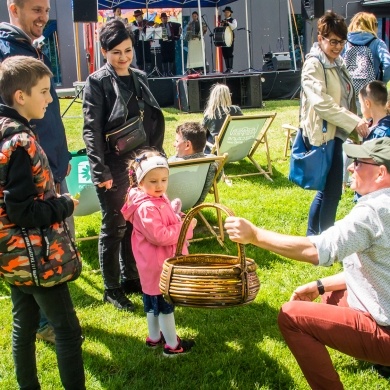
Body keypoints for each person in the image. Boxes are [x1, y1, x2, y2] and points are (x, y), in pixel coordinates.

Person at [224, 137, 390, 390]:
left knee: (292, 316)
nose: (349, 168)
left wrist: (255, 235)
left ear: (380, 172)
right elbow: (381, 268)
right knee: (329, 299)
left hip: (386, 332)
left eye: (357, 162)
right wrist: (320, 285)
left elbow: (316, 251)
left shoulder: (373, 212)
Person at [0, 55, 85, 390]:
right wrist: (62, 205)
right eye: (45, 91)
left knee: (24, 323)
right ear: (20, 96)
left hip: (12, 256)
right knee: (67, 331)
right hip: (36, 257)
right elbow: (21, 210)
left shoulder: (5, 129)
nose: (51, 99)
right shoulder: (18, 143)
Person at [0, 0, 75, 344]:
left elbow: (47, 113)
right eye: (36, 9)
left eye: (46, 9)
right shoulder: (6, 51)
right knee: (40, 243)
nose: (43, 16)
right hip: (28, 172)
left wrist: (61, 155)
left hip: (48, 164)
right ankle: (49, 322)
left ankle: (45, 315)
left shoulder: (32, 47)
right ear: (14, 8)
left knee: (55, 238)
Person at [83, 20, 165, 312]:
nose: (123, 57)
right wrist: (99, 170)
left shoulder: (139, 76)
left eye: (128, 50)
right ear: (104, 51)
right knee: (114, 224)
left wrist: (157, 156)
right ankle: (112, 288)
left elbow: (153, 117)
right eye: (116, 52)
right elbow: (91, 130)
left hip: (140, 162)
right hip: (112, 163)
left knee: (136, 222)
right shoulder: (97, 82)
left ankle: (131, 277)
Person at [121, 149, 196, 357]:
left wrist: (174, 213)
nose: (160, 185)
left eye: (164, 180)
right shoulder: (146, 207)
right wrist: (185, 227)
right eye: (153, 181)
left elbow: (162, 222)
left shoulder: (156, 198)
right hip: (158, 265)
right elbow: (160, 236)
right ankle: (172, 345)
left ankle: (154, 338)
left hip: (151, 264)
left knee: (152, 304)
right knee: (164, 307)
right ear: (140, 181)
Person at [300, 11, 369, 236]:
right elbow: (322, 104)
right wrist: (353, 121)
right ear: (320, 39)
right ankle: (324, 242)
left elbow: (345, 96)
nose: (338, 46)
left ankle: (314, 238)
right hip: (323, 135)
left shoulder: (336, 61)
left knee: (328, 190)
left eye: (341, 41)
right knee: (330, 191)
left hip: (336, 133)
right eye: (333, 41)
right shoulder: (314, 65)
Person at [344, 12, 390, 113]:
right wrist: (381, 83)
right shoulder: (377, 43)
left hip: (348, 94)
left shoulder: (345, 43)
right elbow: (387, 65)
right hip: (371, 95)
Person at [168, 122, 220, 206]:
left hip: (167, 206)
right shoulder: (213, 161)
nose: (174, 144)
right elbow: (216, 180)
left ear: (187, 145)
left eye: (177, 141)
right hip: (195, 202)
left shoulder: (169, 164)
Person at [202, 83, 243, 153]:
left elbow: (201, 133)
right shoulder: (236, 110)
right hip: (237, 146)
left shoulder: (209, 114)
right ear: (227, 96)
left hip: (218, 149)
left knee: (207, 132)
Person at [158, 12, 181, 76]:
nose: (165, 19)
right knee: (164, 58)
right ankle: (165, 72)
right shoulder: (160, 25)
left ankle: (170, 71)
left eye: (166, 18)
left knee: (171, 57)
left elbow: (179, 25)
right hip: (163, 43)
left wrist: (178, 34)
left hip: (171, 42)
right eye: (163, 18)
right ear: (161, 19)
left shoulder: (171, 24)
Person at [220, 6, 237, 73]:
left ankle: (230, 68)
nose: (226, 13)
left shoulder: (233, 20)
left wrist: (228, 23)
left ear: (230, 13)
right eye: (225, 12)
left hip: (229, 39)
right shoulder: (223, 20)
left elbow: (233, 27)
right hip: (224, 39)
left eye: (227, 12)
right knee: (225, 53)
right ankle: (227, 67)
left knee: (229, 52)